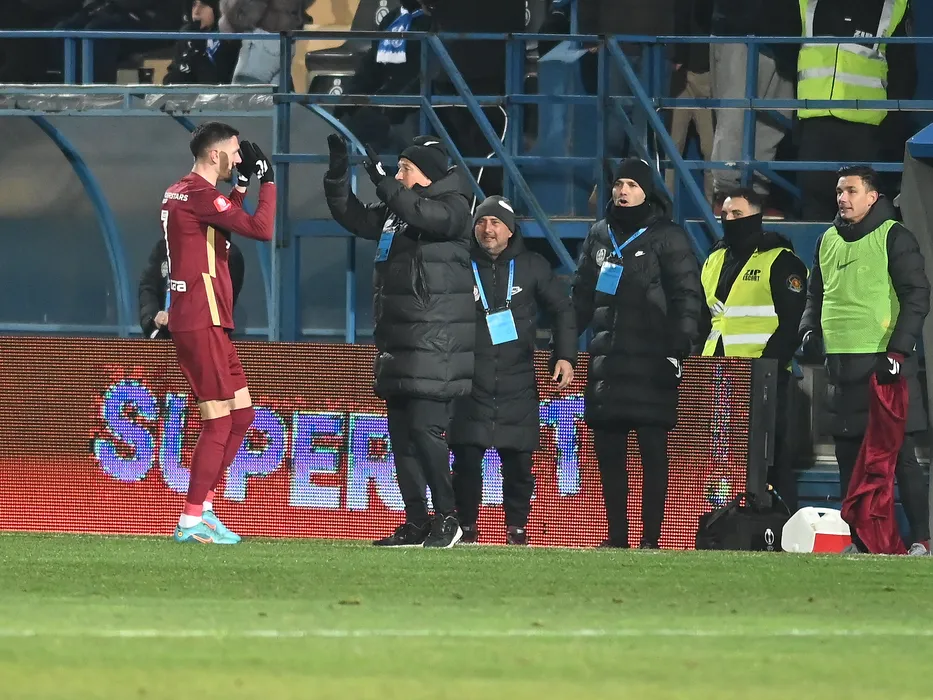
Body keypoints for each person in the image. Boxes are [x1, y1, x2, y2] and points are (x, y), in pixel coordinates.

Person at [324, 134, 475, 549]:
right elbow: (353, 216)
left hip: (436, 345)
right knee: (403, 439)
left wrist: (384, 183)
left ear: (427, 174)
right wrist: (338, 174)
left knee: (427, 433)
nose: (398, 174)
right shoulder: (399, 212)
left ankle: (449, 518)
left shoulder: (454, 207)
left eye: (405, 168)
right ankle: (416, 521)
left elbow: (422, 214)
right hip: (398, 342)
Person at [572, 157, 704, 549]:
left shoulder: (668, 236)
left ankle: (650, 538)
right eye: (618, 184)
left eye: (631, 184)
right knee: (609, 457)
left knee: (652, 455)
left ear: (647, 191)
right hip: (608, 363)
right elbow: (580, 296)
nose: (623, 191)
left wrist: (678, 351)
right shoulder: (598, 234)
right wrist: (563, 344)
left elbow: (687, 297)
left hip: (652, 361)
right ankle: (616, 537)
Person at [799, 165, 930, 555]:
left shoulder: (894, 236)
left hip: (884, 364)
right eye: (840, 191)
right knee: (848, 457)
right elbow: (815, 295)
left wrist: (898, 351)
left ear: (873, 197)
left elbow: (917, 295)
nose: (843, 198)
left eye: (851, 191)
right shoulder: (826, 240)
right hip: (839, 367)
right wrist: (809, 331)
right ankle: (860, 541)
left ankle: (922, 540)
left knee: (900, 457)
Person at [161, 121, 276, 544]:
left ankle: (205, 507)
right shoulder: (200, 195)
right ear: (215, 155)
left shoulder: (182, 190)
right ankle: (191, 519)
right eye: (235, 151)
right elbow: (261, 229)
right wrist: (268, 182)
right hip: (200, 317)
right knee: (218, 421)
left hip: (209, 318)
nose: (240, 157)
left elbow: (218, 223)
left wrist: (241, 186)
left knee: (242, 415)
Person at [448, 196, 577, 546]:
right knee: (466, 461)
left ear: (510, 230)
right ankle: (466, 527)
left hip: (518, 380)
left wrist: (565, 356)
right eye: (481, 222)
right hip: (469, 380)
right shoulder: (459, 263)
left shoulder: (533, 265)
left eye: (495, 223)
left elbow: (563, 310)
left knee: (519, 465)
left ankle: (517, 529)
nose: (487, 229)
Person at [698, 187, 808, 510]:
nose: (729, 219)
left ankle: (781, 523)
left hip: (764, 377)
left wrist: (765, 370)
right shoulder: (714, 259)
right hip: (716, 375)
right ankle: (725, 521)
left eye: (738, 214)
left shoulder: (781, 260)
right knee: (720, 460)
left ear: (757, 216)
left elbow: (791, 324)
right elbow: (706, 318)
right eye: (725, 214)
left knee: (769, 459)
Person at [793, 0, 915, 220]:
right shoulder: (806, 2)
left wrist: (891, 131)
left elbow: (904, 72)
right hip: (815, 124)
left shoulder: (894, 5)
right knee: (815, 210)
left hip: (866, 130)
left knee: (862, 215)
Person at [139, 237, 244, 339]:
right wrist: (153, 323)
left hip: (204, 341)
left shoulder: (227, 255)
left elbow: (219, 305)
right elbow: (148, 288)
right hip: (162, 338)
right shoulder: (164, 247)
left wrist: (178, 319)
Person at [164, 0, 240, 85]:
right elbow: (170, 81)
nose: (196, 11)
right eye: (194, 5)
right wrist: (187, 61)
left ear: (217, 9)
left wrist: (199, 53)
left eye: (203, 5)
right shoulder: (186, 34)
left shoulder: (229, 37)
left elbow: (218, 81)